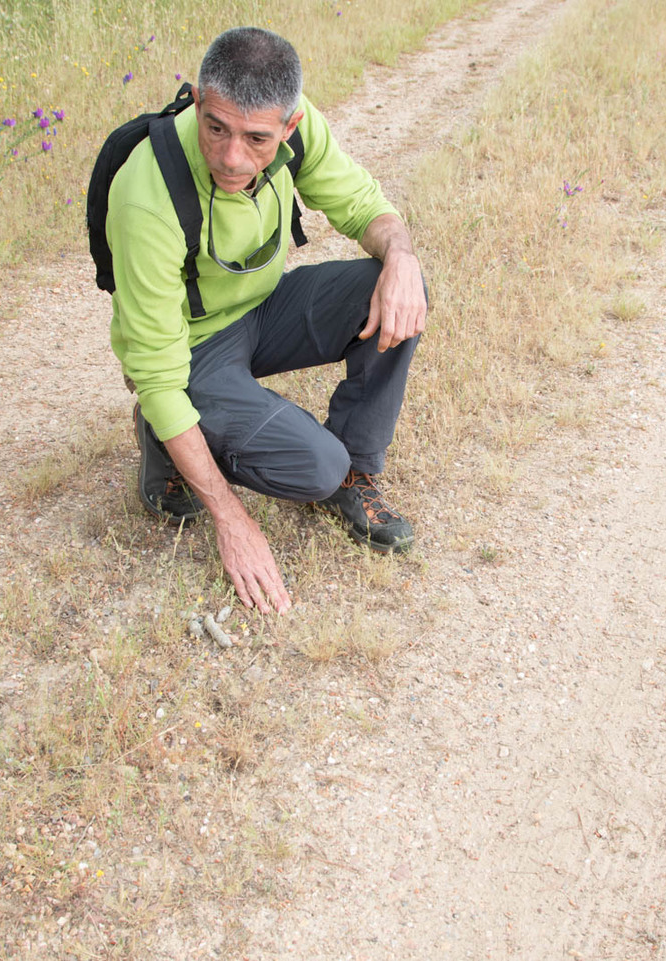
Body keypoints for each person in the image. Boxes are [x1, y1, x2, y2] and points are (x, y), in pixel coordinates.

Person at [107, 26, 427, 615]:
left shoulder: (299, 128)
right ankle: (164, 436)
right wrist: (232, 520)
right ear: (199, 102)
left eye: (256, 139)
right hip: (191, 348)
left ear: (289, 127)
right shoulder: (146, 194)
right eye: (216, 128)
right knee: (315, 466)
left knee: (394, 283)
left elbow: (364, 207)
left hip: (261, 307)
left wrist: (402, 257)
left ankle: (356, 478)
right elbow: (155, 370)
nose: (232, 157)